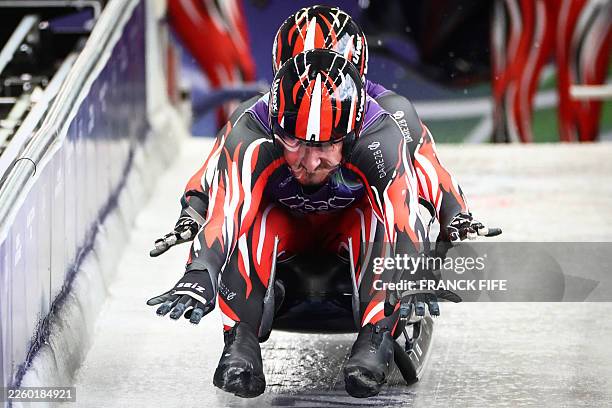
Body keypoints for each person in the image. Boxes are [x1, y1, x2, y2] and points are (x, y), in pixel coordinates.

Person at [151, 6, 479, 260]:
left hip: (357, 234)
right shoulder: (255, 114)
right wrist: (194, 211)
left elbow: (424, 166)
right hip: (283, 236)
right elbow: (217, 172)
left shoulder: (391, 112)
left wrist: (454, 214)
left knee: (396, 210)